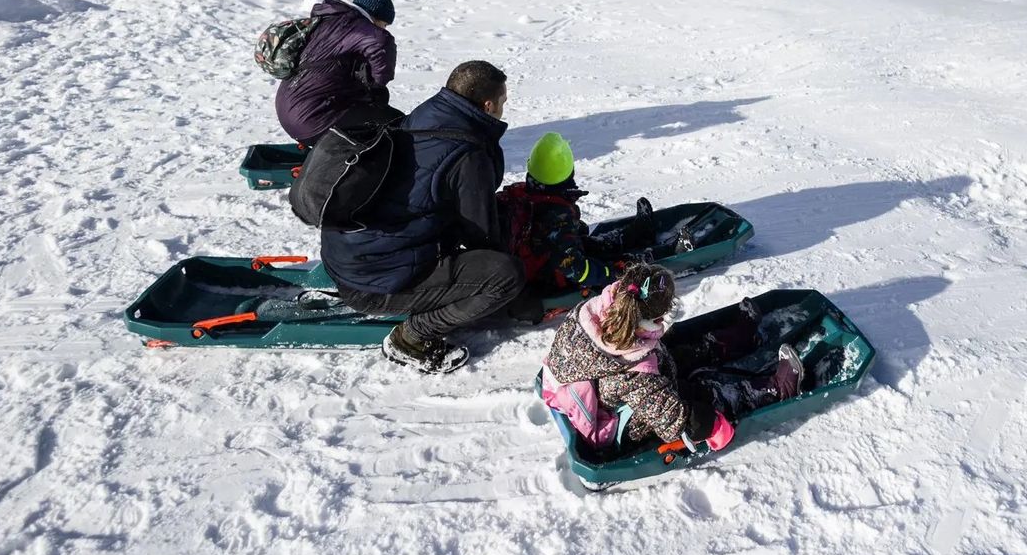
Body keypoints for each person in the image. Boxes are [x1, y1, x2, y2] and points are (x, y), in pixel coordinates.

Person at [321, 61, 521, 373]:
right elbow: (481, 237)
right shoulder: (467, 153)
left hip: (349, 255)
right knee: (504, 276)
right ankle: (413, 338)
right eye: (504, 102)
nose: (504, 108)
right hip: (373, 282)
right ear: (488, 105)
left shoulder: (424, 116)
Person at [542, 264, 804, 453]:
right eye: (659, 317)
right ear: (642, 320)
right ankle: (775, 389)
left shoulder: (597, 312)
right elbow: (675, 418)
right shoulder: (635, 378)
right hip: (626, 417)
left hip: (612, 380)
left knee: (671, 351)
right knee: (700, 394)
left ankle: (735, 340)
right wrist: (708, 425)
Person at [498, 132, 651, 321]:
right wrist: (608, 273)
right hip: (548, 280)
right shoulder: (555, 214)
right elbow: (575, 268)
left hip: (535, 263)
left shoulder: (525, 194)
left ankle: (625, 237)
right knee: (597, 257)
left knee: (581, 240)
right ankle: (644, 257)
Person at [275, 0, 398, 145]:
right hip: (311, 119)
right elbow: (381, 47)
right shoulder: (359, 27)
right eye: (384, 24)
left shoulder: (330, 21)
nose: (384, 28)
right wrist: (377, 85)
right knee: (397, 125)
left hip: (289, 110)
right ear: (376, 17)